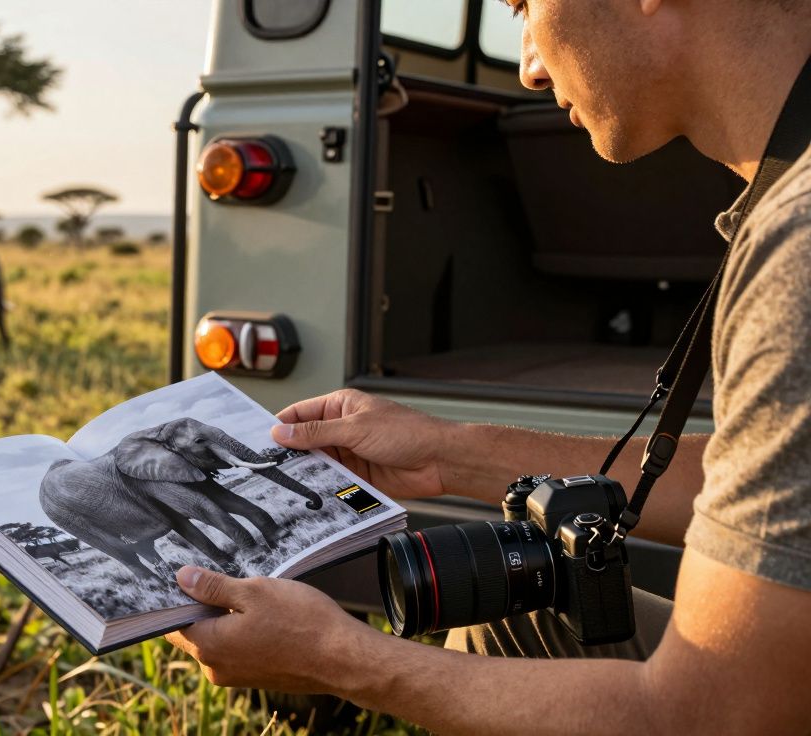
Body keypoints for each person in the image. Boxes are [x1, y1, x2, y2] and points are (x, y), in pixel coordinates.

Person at [164, 0, 811, 732]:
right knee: (514, 627)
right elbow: (764, 493)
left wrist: (337, 658)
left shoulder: (800, 245)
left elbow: (720, 718)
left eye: (523, 5)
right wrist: (449, 454)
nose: (529, 66)